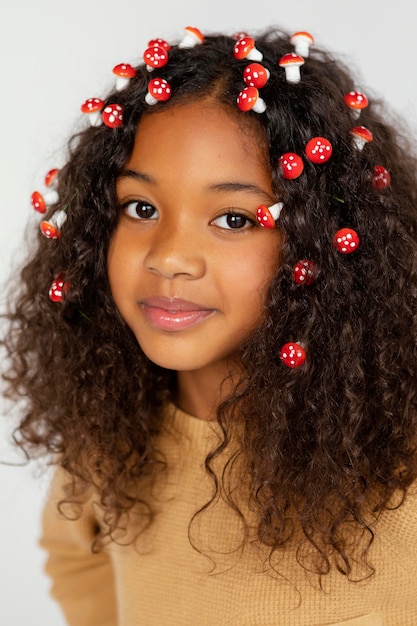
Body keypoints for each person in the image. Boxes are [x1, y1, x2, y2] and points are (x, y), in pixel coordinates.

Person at [2, 25, 417, 626]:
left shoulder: (399, 473)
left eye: (233, 219)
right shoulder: (106, 441)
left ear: (321, 244)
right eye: (140, 209)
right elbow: (76, 558)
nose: (169, 257)